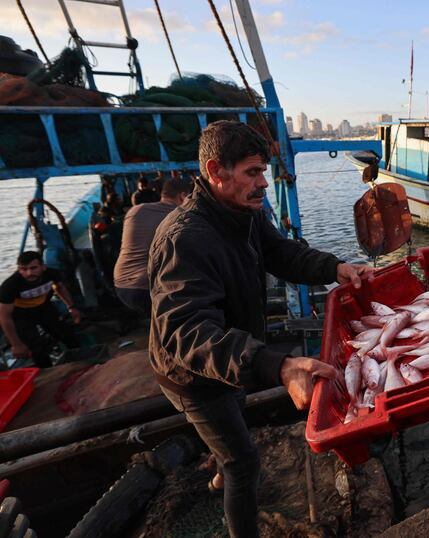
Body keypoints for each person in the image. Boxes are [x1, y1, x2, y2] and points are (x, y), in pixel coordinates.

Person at [148, 120, 373, 537]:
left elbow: (280, 252)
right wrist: (278, 366)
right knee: (244, 462)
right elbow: (187, 333)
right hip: (193, 376)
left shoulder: (242, 213)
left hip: (235, 358)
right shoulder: (185, 240)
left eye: (263, 171)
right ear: (217, 171)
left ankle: (218, 468)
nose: (264, 183)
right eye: (253, 172)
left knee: (231, 426)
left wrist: (334, 267)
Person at [114, 176, 193, 316]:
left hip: (122, 286)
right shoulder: (180, 216)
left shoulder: (135, 210)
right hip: (147, 289)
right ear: (183, 196)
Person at [0, 251, 80, 368]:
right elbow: (4, 317)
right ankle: (47, 371)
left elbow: (60, 288)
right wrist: (16, 344)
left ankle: (81, 359)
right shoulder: (10, 285)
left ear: (43, 266)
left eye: (33, 268)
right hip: (21, 315)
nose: (28, 273)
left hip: (44, 307)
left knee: (66, 334)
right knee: (37, 347)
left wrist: (71, 307)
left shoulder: (52, 273)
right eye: (23, 269)